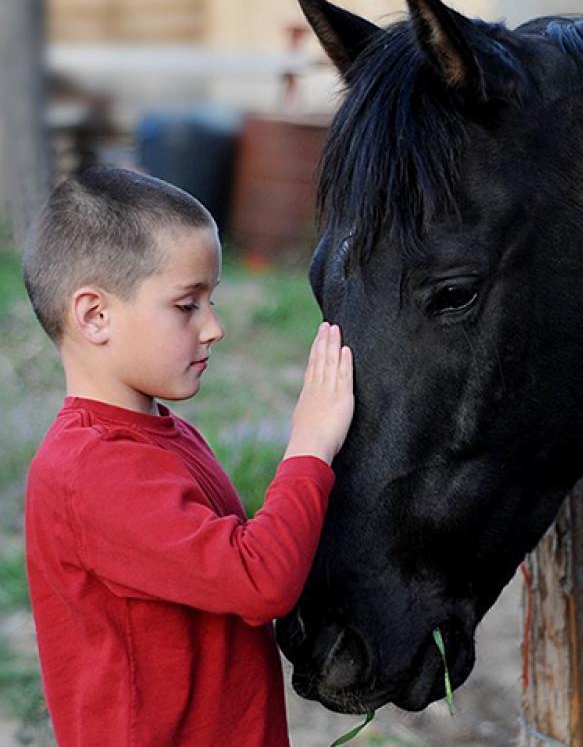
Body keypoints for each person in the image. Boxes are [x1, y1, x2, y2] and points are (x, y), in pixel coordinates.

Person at [21, 166, 354, 746]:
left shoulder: (158, 432)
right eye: (187, 305)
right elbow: (258, 580)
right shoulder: (93, 471)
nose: (214, 327)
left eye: (211, 300)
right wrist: (310, 444)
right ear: (94, 315)